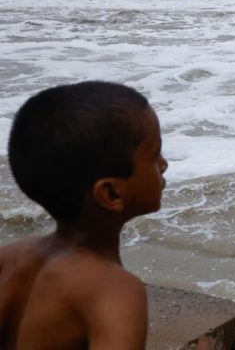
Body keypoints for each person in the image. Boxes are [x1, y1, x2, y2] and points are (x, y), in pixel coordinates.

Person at [0, 81, 173, 350]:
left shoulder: (9, 258)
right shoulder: (112, 289)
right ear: (111, 194)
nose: (164, 164)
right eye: (154, 155)